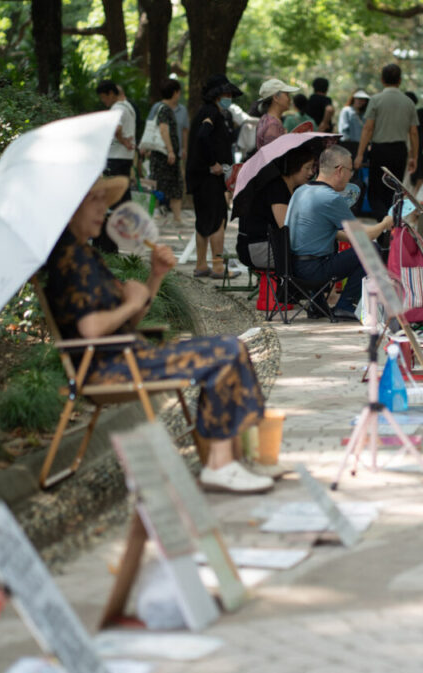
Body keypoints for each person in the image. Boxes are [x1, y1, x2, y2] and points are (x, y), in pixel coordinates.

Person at [44, 176, 273, 493]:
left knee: (232, 348)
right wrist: (132, 303)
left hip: (127, 355)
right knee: (227, 352)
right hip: (109, 369)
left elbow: (127, 321)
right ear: (71, 210)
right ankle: (221, 466)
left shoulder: (87, 256)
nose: (103, 209)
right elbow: (92, 329)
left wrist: (154, 277)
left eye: (102, 200)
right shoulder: (68, 261)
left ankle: (237, 458)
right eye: (93, 201)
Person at [287, 146, 393, 320]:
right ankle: (345, 305)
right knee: (372, 249)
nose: (351, 176)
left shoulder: (301, 191)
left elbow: (319, 233)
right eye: (350, 170)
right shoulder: (330, 197)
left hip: (293, 267)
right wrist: (384, 223)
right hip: (313, 270)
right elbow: (365, 236)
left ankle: (317, 303)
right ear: (340, 170)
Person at [186, 74, 242, 279]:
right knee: (218, 220)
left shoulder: (207, 112)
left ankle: (201, 265)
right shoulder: (211, 113)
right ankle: (218, 267)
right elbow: (203, 136)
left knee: (203, 221)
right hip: (210, 177)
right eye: (225, 93)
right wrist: (213, 163)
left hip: (199, 177)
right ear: (216, 95)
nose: (228, 97)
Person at [354, 64, 419, 219]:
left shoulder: (376, 100)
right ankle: (390, 226)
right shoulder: (408, 102)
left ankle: (383, 225)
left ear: (382, 80)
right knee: (395, 190)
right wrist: (413, 157)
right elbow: (414, 132)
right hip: (399, 151)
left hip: (379, 150)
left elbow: (368, 129)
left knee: (376, 191)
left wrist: (359, 154)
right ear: (400, 80)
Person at [236, 146, 318, 270]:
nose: (311, 172)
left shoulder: (293, 189)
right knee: (313, 259)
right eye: (307, 168)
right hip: (257, 248)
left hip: (270, 245)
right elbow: (286, 228)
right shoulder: (277, 187)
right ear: (294, 166)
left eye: (313, 168)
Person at [95, 79, 136, 253]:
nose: (104, 101)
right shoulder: (128, 107)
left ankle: (107, 245)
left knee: (111, 200)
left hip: (115, 159)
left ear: (111, 94)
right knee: (120, 200)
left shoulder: (117, 108)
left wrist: (122, 140)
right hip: (124, 159)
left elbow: (116, 128)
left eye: (104, 97)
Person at [149, 79, 185, 228]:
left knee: (161, 184)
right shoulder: (165, 109)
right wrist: (170, 150)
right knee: (170, 184)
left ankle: (175, 217)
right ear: (175, 92)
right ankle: (171, 217)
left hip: (159, 155)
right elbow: (164, 129)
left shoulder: (158, 107)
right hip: (164, 155)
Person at [255, 78, 298, 150]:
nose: (290, 99)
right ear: (275, 98)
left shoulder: (266, 118)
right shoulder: (273, 125)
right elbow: (274, 156)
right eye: (287, 95)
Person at [338, 90, 370, 157]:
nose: (361, 102)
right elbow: (343, 129)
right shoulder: (347, 110)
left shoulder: (365, 114)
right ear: (354, 99)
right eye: (359, 99)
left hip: (362, 145)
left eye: (364, 100)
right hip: (349, 145)